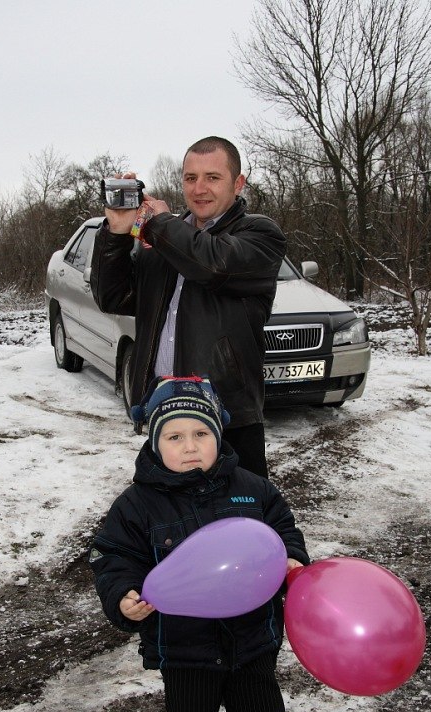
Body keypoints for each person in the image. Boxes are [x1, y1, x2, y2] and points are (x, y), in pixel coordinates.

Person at [89, 376, 310, 712]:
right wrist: (123, 596)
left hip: (251, 646)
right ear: (154, 442)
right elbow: (113, 558)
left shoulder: (254, 490)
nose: (190, 446)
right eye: (174, 436)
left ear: (218, 434)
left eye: (201, 433)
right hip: (184, 652)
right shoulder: (135, 506)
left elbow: (284, 530)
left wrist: (292, 560)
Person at [90, 135, 287, 478]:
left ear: (238, 183)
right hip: (165, 415)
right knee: (168, 525)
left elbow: (212, 264)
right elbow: (114, 297)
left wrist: (159, 223)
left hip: (229, 418)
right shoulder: (165, 238)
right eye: (190, 178)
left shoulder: (259, 233)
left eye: (213, 177)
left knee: (237, 524)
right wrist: (117, 235)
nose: (199, 189)